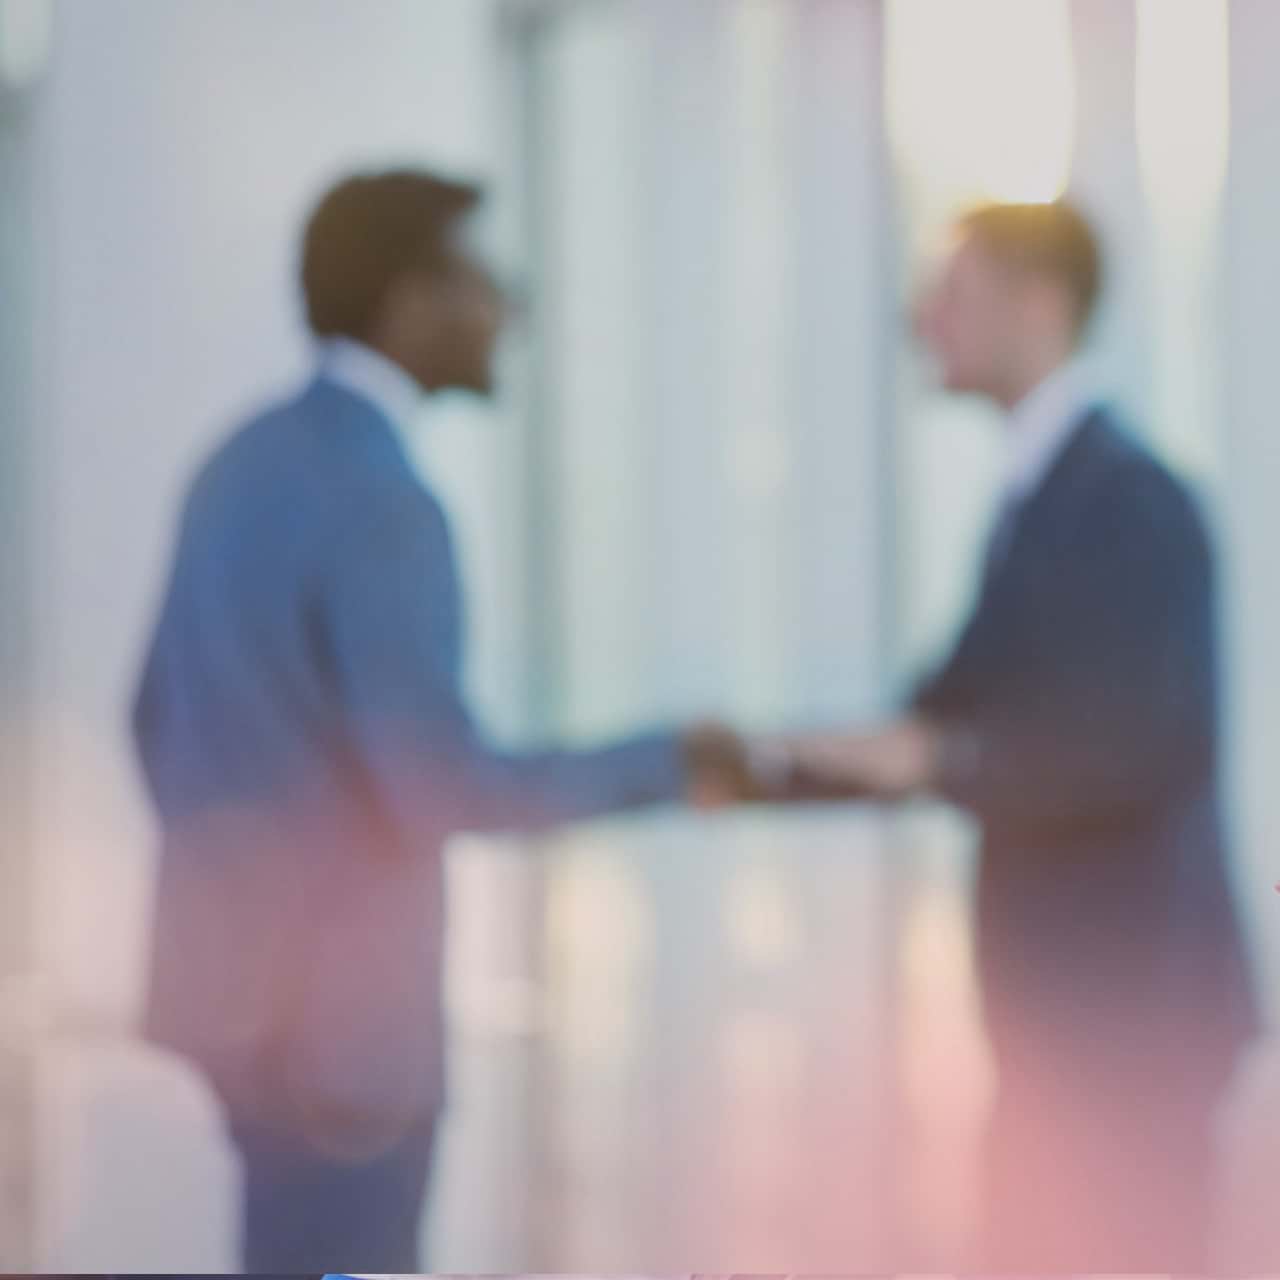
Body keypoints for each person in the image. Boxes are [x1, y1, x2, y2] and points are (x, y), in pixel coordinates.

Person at [132, 169, 747, 1273]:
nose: (505, 311)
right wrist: (669, 760)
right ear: (407, 298)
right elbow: (443, 787)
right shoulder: (383, 497)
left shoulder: (235, 463)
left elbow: (152, 720)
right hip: (346, 1045)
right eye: (482, 281)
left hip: (234, 1016)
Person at [753, 201, 1258, 1270]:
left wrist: (941, 758)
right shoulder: (1042, 493)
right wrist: (759, 760)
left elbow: (1143, 741)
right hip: (1063, 1018)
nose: (919, 319)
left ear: (1040, 305)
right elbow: (941, 707)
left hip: (1130, 1018)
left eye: (952, 293)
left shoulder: (1132, 499)